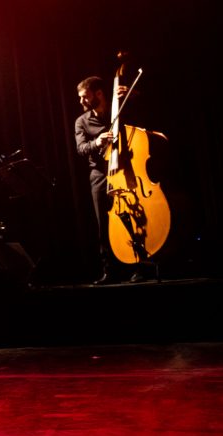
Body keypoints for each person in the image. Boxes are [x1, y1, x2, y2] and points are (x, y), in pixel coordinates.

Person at [75, 76, 143, 284]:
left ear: (99, 94)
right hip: (99, 175)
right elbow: (81, 148)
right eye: (80, 97)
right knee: (103, 224)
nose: (81, 101)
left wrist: (133, 95)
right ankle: (110, 270)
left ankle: (138, 266)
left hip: (125, 169)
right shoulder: (82, 121)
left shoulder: (120, 109)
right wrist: (97, 142)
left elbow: (144, 116)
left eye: (85, 97)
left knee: (131, 219)